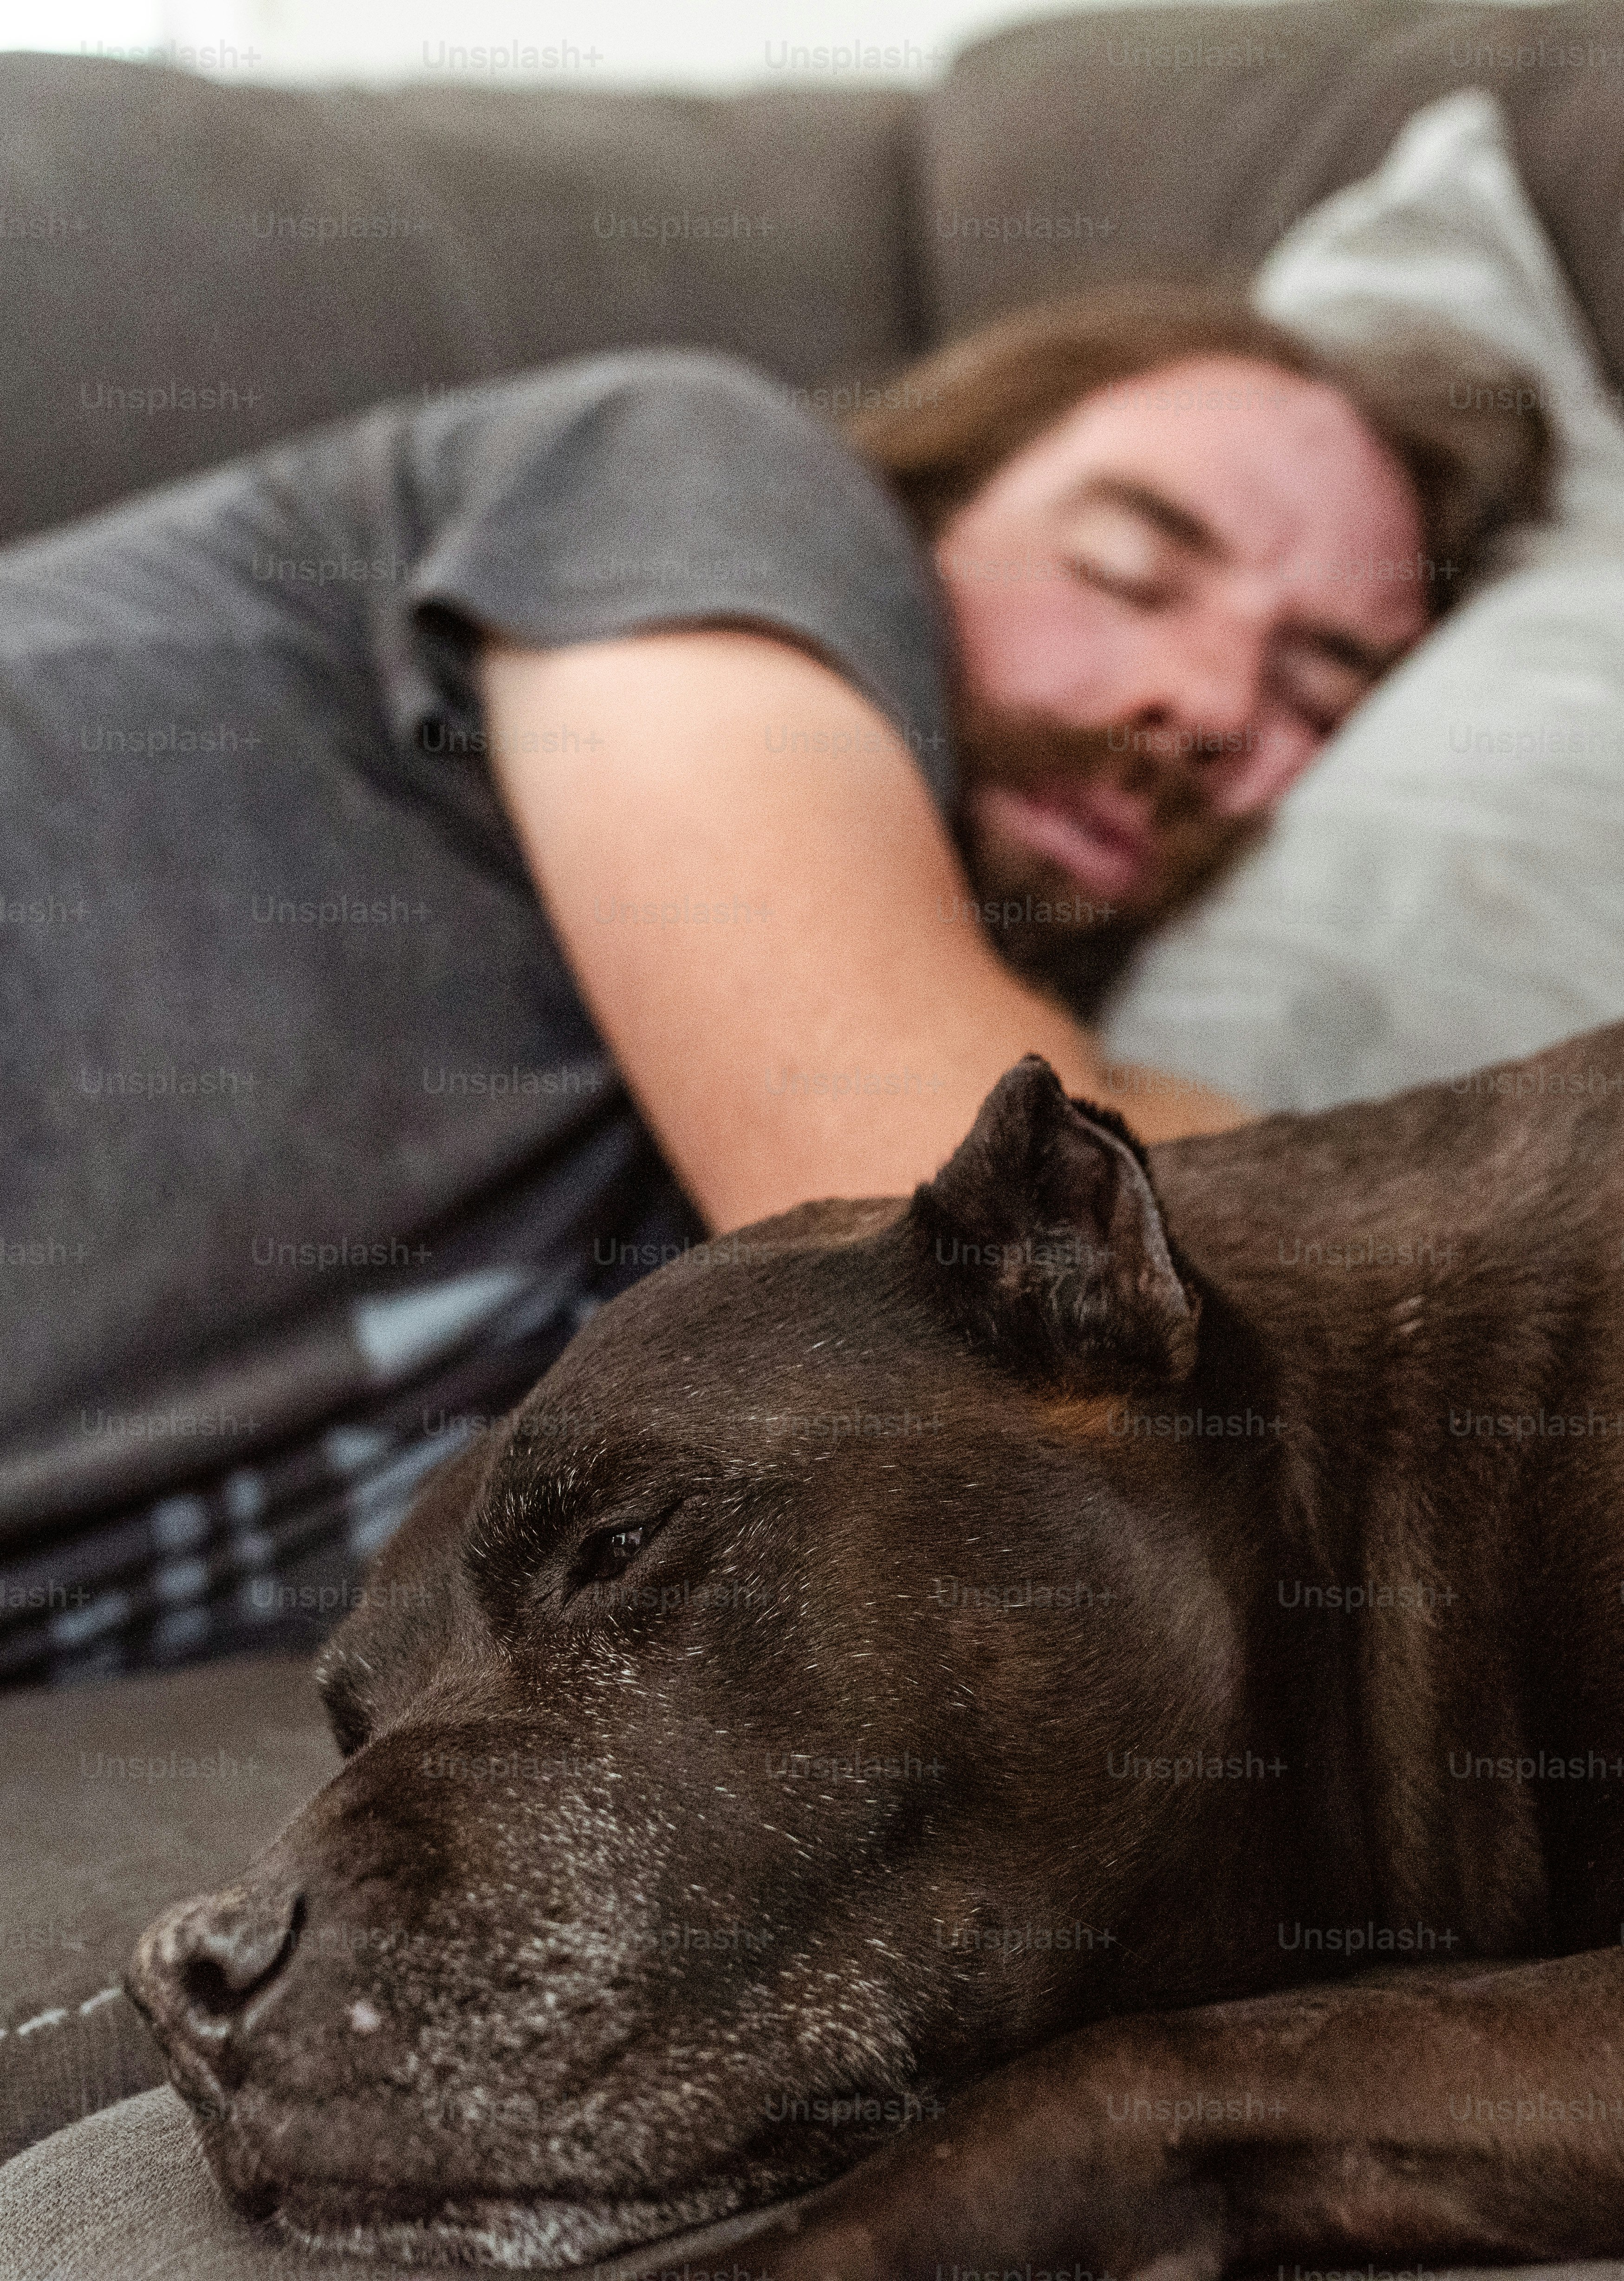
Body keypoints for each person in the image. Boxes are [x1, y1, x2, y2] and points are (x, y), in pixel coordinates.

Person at [0, 285, 1549, 1687]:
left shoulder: (706, 1303)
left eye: (1312, 689)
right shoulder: (691, 464)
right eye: (1126, 569)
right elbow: (943, 1214)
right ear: (924, 502)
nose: (1204, 704)